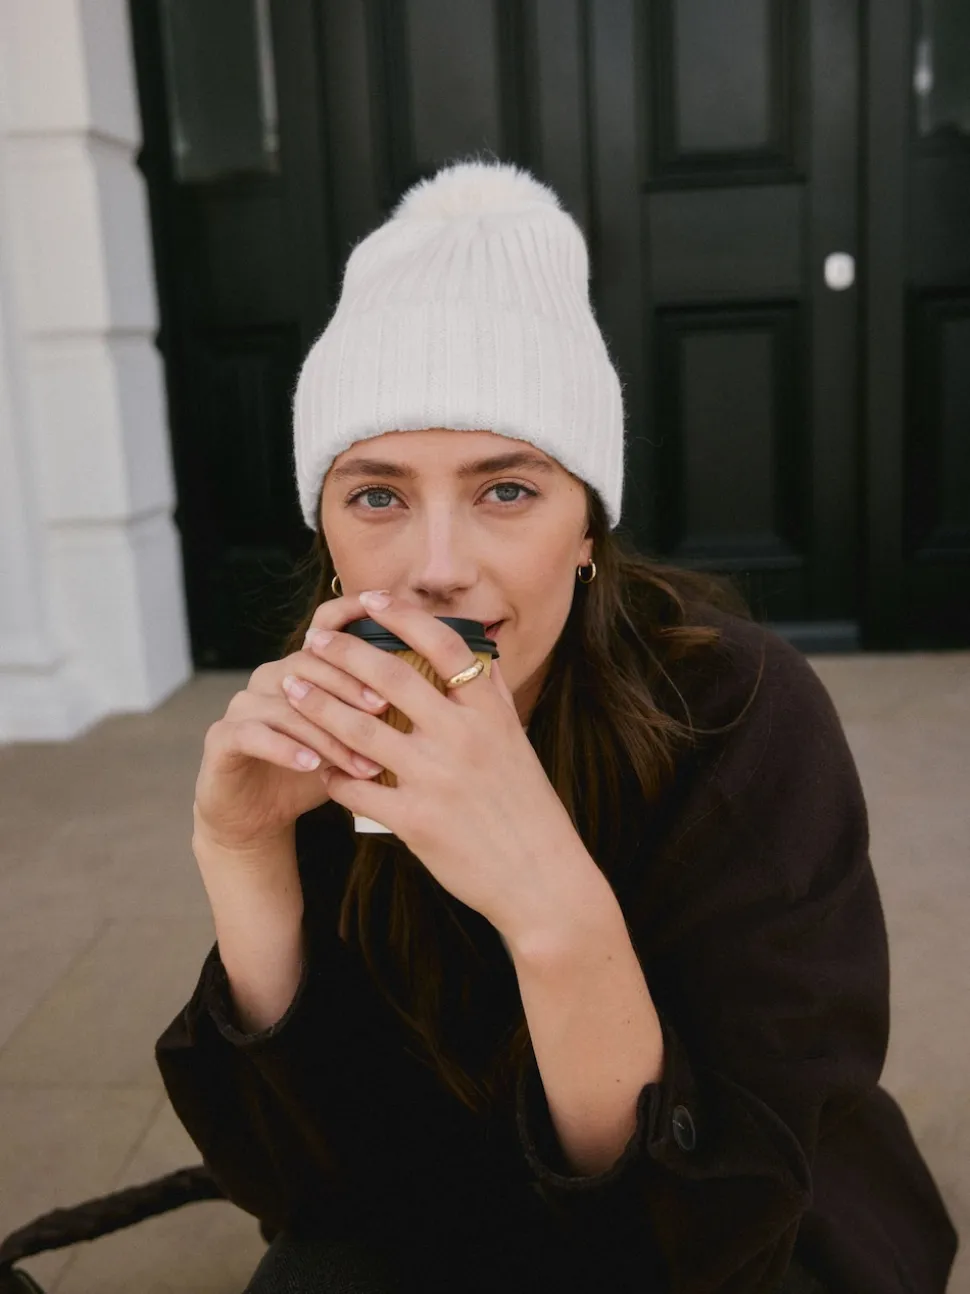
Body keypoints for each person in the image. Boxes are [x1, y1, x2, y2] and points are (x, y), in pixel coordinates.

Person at [155, 159, 958, 1294]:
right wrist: (244, 857)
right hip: (451, 1206)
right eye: (378, 495)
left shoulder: (741, 713)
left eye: (507, 491)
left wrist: (546, 901)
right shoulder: (330, 716)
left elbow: (712, 1234)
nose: (437, 567)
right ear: (325, 527)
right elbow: (306, 1190)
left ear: (587, 529)